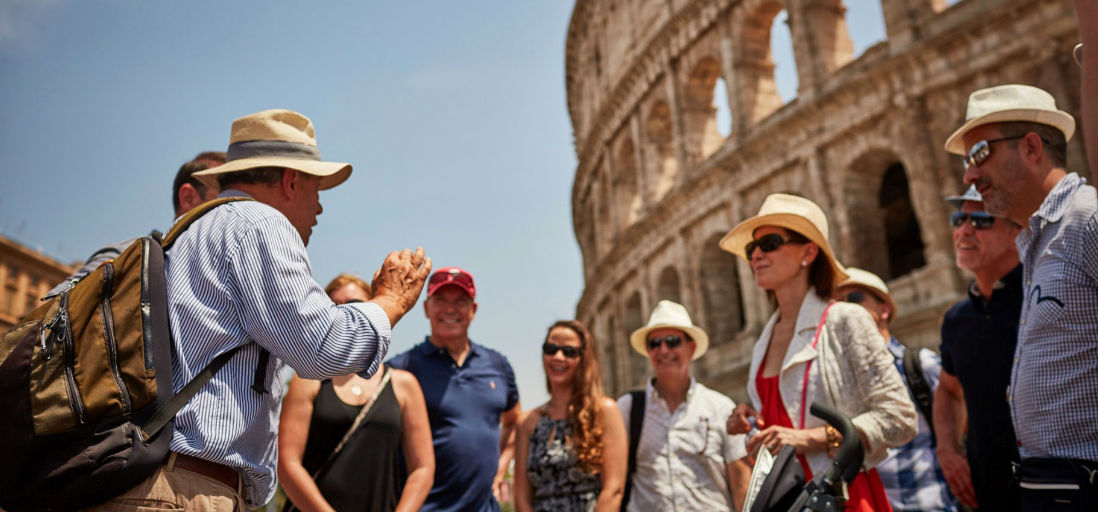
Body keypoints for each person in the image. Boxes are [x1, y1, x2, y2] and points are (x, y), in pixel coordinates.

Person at [88, 109, 432, 510]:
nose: (319, 208)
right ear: (291, 180)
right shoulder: (258, 223)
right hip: (184, 490)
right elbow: (325, 349)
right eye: (317, 189)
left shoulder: (189, 230)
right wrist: (389, 301)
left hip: (153, 481)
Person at [948, 84, 1098, 506]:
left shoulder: (1087, 222)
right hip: (1051, 485)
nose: (969, 176)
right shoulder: (1038, 240)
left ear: (1032, 147)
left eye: (979, 154)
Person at [721, 193, 917, 512]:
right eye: (750, 248)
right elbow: (780, 424)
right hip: (788, 500)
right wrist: (752, 420)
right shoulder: (763, 342)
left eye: (769, 242)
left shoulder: (845, 319)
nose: (756, 254)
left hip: (842, 498)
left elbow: (901, 418)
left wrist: (809, 438)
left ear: (808, 252)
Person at [278, 274, 434, 511]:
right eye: (334, 307)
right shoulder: (307, 380)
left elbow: (422, 468)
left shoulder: (404, 384)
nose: (345, 313)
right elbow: (288, 463)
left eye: (355, 304)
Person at [387, 267, 522, 512]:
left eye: (460, 301)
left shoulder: (497, 365)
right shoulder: (401, 369)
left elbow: (514, 423)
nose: (450, 309)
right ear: (427, 308)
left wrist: (500, 470)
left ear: (474, 310)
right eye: (441, 300)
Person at [835, 268, 957, 512]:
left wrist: (951, 451)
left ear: (884, 310)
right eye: (837, 305)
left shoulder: (920, 365)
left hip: (925, 503)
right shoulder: (838, 380)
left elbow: (961, 403)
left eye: (854, 299)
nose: (845, 310)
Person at [933, 185, 1022, 511]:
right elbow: (948, 389)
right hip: (988, 494)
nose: (964, 230)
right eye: (959, 220)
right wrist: (947, 450)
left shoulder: (1041, 300)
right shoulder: (957, 318)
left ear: (1017, 233)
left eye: (981, 221)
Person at [617, 300, 751, 512]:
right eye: (654, 343)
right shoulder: (627, 409)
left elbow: (741, 482)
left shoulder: (720, 407)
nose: (663, 350)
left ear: (691, 347)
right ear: (648, 351)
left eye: (672, 341)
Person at [46, 151, 225, 296]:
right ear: (188, 198)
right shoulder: (125, 258)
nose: (238, 215)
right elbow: (48, 315)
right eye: (226, 200)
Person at [513, 320, 626, 512]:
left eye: (569, 351)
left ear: (584, 358)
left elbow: (613, 489)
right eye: (551, 349)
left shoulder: (604, 411)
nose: (558, 356)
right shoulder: (526, 423)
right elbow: (522, 498)